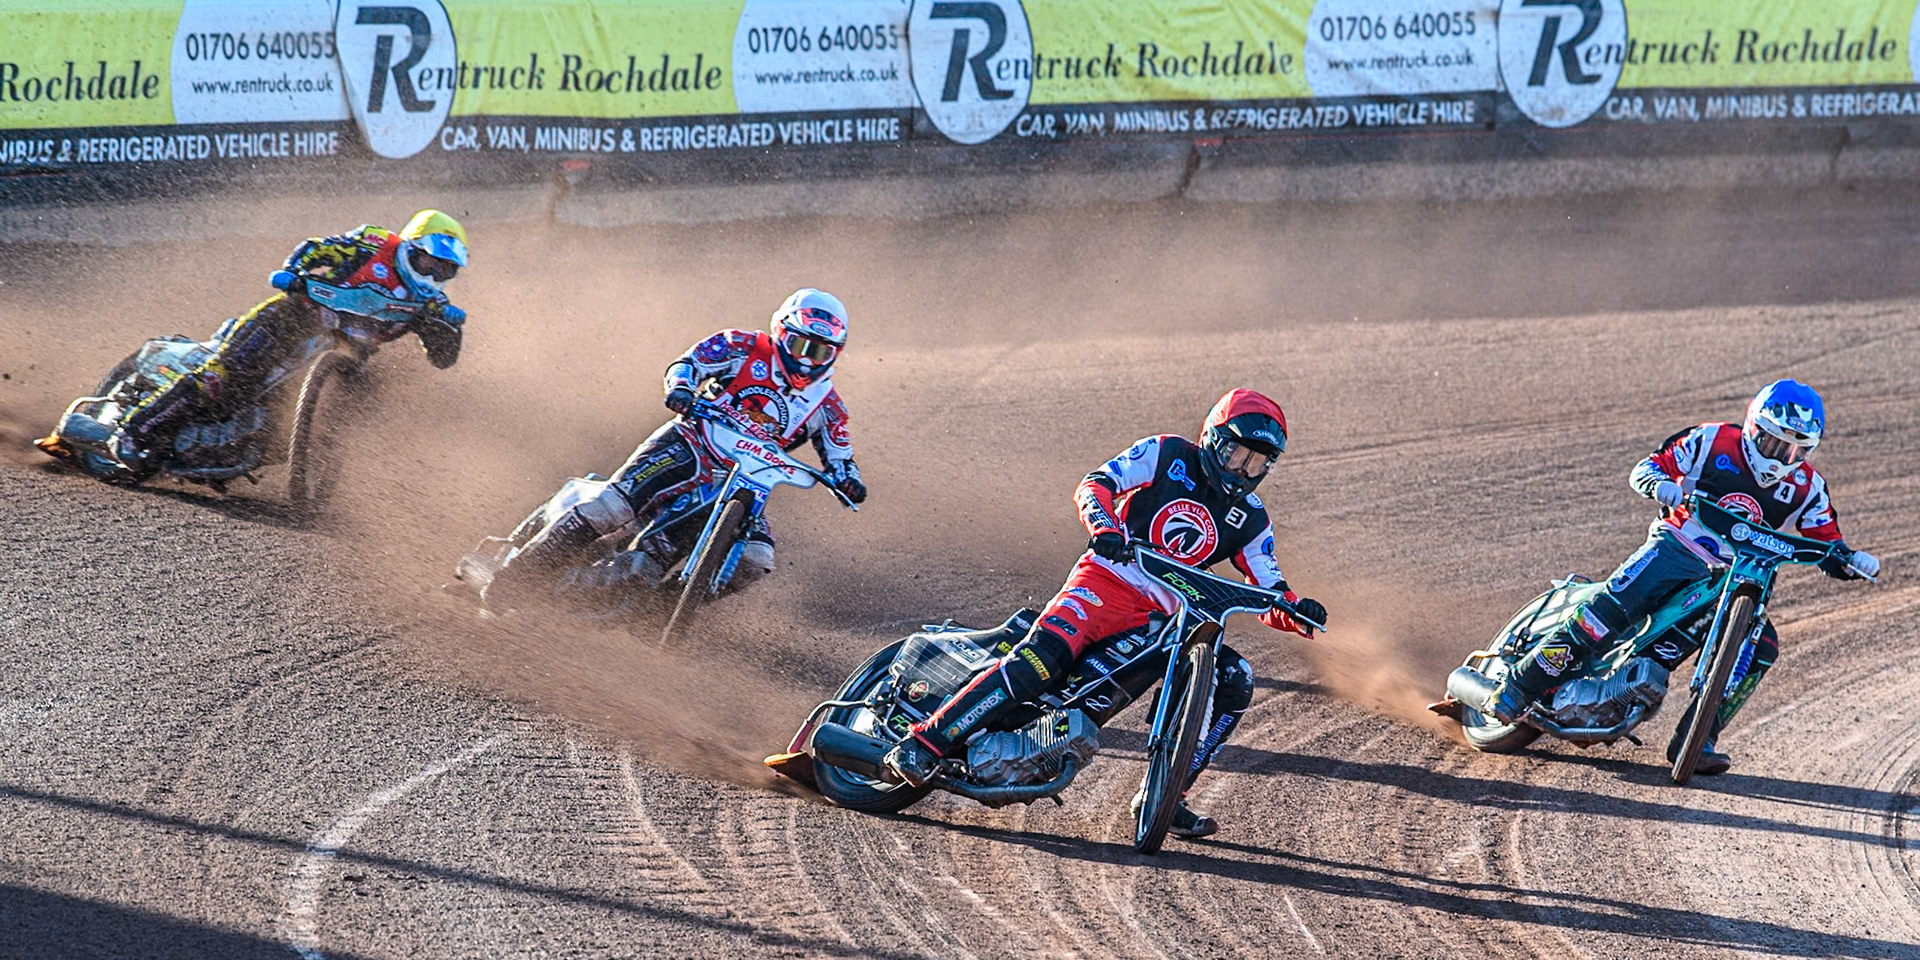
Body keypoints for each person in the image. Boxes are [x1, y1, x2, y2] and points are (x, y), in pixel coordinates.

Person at [883, 388, 1328, 839]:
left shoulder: (1252, 519)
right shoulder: (1167, 452)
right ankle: (925, 742)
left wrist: (1297, 612)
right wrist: (1105, 526)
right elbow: (1096, 485)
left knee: (1236, 680)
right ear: (1214, 437)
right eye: (1238, 455)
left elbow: (1271, 591)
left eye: (1257, 463)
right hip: (1106, 581)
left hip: (1169, 618)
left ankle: (1169, 796)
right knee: (1040, 662)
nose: (1244, 470)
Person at [1472, 379, 1882, 774]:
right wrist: (1659, 485)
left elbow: (1828, 544)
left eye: (1795, 451)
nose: (1781, 458)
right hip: (1679, 546)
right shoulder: (1710, 440)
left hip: (1741, 574)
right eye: (1774, 443)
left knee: (1763, 646)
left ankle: (1698, 739)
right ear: (1753, 425)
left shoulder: (1809, 488)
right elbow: (1648, 467)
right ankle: (1519, 686)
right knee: (1611, 610)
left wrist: (1851, 561)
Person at [483, 287, 866, 603]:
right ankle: (516, 578)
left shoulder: (828, 407)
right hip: (692, 441)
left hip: (747, 482)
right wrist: (681, 388)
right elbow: (689, 363)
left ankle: (662, 612)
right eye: (799, 344)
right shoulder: (742, 345)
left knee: (757, 557)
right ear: (781, 332)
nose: (805, 359)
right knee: (611, 509)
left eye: (818, 351)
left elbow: (840, 455)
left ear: (835, 353)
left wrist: (848, 480)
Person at [45, 209, 469, 477]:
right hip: (294, 318)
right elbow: (319, 249)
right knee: (222, 379)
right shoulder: (375, 244)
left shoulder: (432, 303)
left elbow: (443, 360)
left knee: (365, 402)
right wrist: (293, 272)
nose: (433, 273)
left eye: (445, 270)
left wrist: (449, 331)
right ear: (411, 247)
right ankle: (132, 434)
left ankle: (280, 456)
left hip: (344, 357)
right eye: (429, 260)